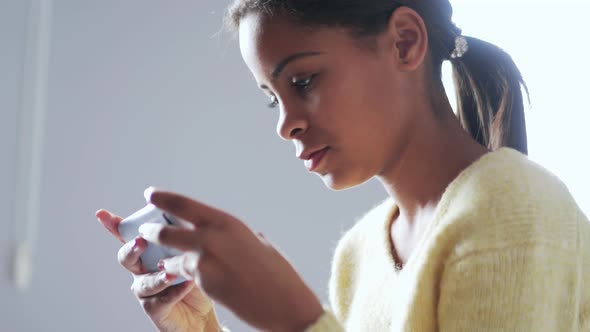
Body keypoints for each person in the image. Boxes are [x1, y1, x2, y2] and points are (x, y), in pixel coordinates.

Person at [97, 0, 590, 331]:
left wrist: (297, 320)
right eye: (273, 100)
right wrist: (202, 326)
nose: (284, 124)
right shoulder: (359, 255)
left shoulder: (512, 213)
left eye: (304, 81)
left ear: (404, 42)